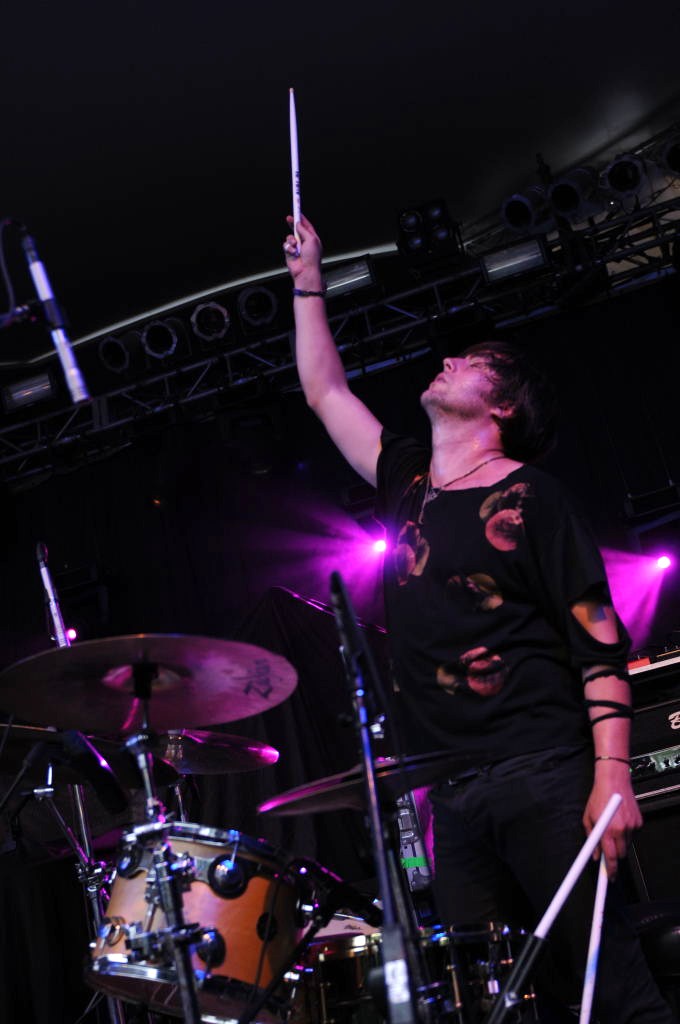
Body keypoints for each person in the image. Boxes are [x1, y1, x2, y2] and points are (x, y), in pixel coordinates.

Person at [282, 213, 678, 1023]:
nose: (449, 359)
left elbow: (598, 642)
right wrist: (308, 281)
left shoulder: (533, 499)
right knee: (485, 1003)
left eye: (471, 363)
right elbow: (325, 392)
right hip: (450, 794)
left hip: (541, 772)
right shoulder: (408, 484)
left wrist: (612, 775)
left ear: (501, 404)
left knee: (610, 992)